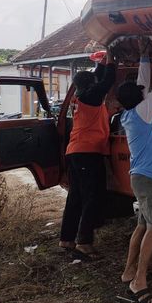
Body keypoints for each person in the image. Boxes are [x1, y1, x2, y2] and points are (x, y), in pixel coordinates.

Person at [117, 36, 152, 303]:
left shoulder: (130, 114)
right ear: (138, 99)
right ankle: (139, 280)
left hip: (140, 176)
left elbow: (144, 84)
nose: (143, 90)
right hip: (150, 179)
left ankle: (128, 271)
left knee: (142, 226)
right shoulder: (142, 112)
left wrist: (143, 55)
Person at [59, 51, 116, 260]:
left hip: (77, 152)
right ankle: (84, 242)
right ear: (91, 83)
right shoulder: (91, 97)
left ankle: (66, 238)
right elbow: (106, 81)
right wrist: (111, 58)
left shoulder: (83, 96)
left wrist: (101, 63)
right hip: (87, 153)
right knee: (92, 197)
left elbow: (100, 78)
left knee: (76, 197)